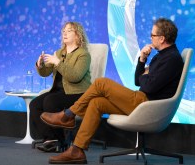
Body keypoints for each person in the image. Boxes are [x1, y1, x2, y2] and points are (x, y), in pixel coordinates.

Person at [40, 18, 184, 164]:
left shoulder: (172, 59)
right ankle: (77, 150)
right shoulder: (161, 56)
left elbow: (149, 87)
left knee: (101, 83)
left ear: (162, 38)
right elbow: (137, 81)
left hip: (147, 104)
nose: (150, 38)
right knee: (97, 102)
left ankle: (68, 115)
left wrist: (145, 76)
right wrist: (142, 60)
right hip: (141, 100)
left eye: (152, 35)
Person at [30, 22, 91, 152]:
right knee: (35, 104)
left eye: (69, 31)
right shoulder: (59, 52)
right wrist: (40, 66)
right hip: (59, 92)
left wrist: (57, 62)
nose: (64, 33)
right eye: (64, 31)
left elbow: (75, 76)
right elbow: (45, 73)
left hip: (77, 93)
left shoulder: (83, 55)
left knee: (50, 101)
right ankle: (50, 139)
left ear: (78, 35)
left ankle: (61, 142)